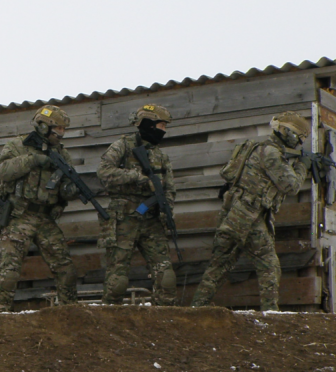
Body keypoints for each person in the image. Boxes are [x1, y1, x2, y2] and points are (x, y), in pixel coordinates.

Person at [191, 111, 309, 312]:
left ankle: (196, 309)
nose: (299, 142)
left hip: (235, 214)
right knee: (269, 266)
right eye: (299, 137)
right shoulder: (272, 153)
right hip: (248, 217)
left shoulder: (259, 148)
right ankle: (270, 313)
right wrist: (303, 166)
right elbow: (291, 186)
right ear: (287, 132)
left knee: (219, 266)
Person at [0, 105, 79, 312]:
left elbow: (65, 187)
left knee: (66, 268)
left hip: (46, 218)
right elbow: (2, 172)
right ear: (43, 126)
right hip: (19, 216)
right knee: (10, 269)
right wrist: (32, 160)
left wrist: (69, 190)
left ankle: (71, 312)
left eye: (63, 129)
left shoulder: (61, 154)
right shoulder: (17, 145)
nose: (61, 133)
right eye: (58, 128)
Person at [97, 104, 177, 306]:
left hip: (151, 219)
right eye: (160, 125)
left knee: (166, 275)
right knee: (118, 279)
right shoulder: (123, 145)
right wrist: (137, 178)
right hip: (124, 218)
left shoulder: (161, 156)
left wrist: (166, 209)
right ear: (148, 124)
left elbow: (170, 188)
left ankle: (165, 319)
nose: (163, 131)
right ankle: (109, 317)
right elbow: (104, 171)